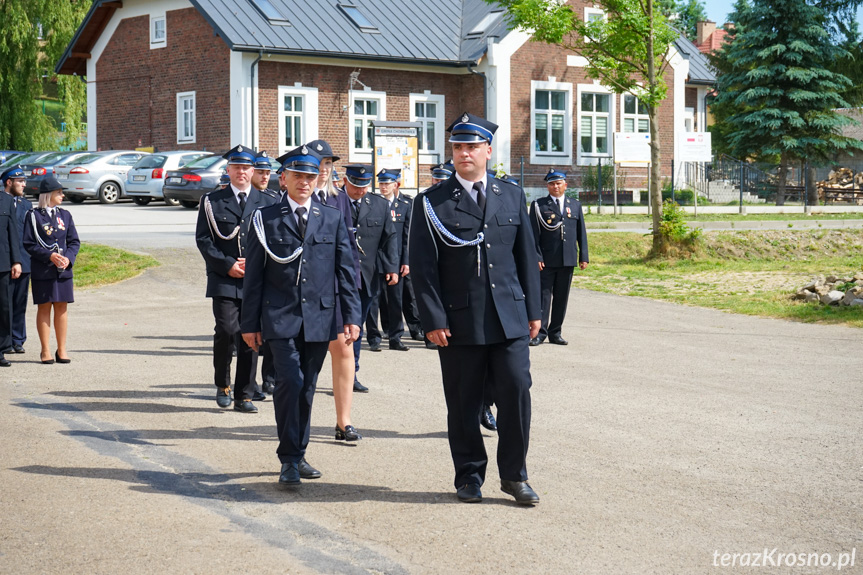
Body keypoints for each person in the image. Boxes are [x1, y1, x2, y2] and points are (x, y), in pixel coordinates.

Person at [409, 112, 542, 505]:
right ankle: (469, 476)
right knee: (464, 401)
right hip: (460, 320)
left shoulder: (511, 195)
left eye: (471, 146)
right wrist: (432, 319)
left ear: (487, 150)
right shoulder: (431, 202)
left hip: (510, 317)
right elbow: (423, 267)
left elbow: (526, 257)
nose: (464, 153)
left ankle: (515, 476)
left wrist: (535, 311)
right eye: (457, 147)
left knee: (517, 392)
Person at [240, 144, 360, 485]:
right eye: (298, 176)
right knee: (289, 381)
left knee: (306, 386)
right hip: (279, 316)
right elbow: (255, 276)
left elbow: (345, 272)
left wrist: (351, 317)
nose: (305, 182)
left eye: (310, 176)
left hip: (320, 317)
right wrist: (249, 323)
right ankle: (288, 458)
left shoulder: (331, 218)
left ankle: (299, 453)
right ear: (284, 178)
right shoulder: (265, 219)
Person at [195, 145, 278, 413]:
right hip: (224, 278)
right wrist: (228, 264)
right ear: (228, 170)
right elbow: (204, 240)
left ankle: (245, 394)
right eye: (236, 167)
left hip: (255, 280)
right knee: (227, 331)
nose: (241, 172)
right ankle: (223, 385)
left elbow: (276, 241)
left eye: (246, 168)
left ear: (253, 171)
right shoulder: (212, 201)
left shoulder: (268, 202)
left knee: (251, 335)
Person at [301, 139, 363, 440]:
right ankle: (299, 424)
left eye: (328, 165)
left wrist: (353, 285)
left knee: (343, 349)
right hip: (303, 292)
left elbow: (349, 249)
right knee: (303, 363)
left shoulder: (338, 200)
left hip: (335, 290)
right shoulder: (293, 198)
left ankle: (344, 421)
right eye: (320, 165)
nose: (324, 170)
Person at [343, 164, 398, 390]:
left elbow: (389, 238)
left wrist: (392, 267)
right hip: (337, 276)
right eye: (356, 186)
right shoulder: (332, 201)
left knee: (356, 326)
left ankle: (350, 375)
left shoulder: (379, 204)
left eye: (364, 186)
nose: (360, 191)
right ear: (346, 181)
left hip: (366, 276)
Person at [22, 177, 80, 364]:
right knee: (45, 307)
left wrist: (68, 259)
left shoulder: (65, 215)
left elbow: (74, 241)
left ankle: (61, 349)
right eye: (59, 193)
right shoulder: (34, 216)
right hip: (44, 269)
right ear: (48, 195)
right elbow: (29, 243)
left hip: (63, 270)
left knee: (62, 308)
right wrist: (49, 256)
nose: (62, 196)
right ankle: (45, 350)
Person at [529, 169, 589, 346]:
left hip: (567, 258)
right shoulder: (539, 205)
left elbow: (581, 233)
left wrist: (583, 256)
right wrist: (536, 256)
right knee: (544, 297)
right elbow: (533, 235)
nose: (555, 186)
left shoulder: (575, 205)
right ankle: (540, 333)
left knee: (562, 298)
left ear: (565, 185)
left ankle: (556, 332)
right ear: (547, 186)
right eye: (552, 184)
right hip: (546, 260)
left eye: (558, 183)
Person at [365, 168, 412, 351]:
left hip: (396, 259)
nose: (383, 187)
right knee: (373, 301)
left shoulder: (405, 205)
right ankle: (374, 338)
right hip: (375, 260)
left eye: (387, 183)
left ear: (396, 185)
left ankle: (395, 337)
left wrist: (406, 261)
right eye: (381, 183)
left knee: (395, 300)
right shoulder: (373, 203)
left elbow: (407, 237)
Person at [251, 151, 277, 396]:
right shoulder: (248, 198)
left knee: (270, 332)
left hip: (271, 272)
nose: (265, 176)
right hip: (248, 272)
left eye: (268, 172)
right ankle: (248, 383)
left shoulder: (273, 198)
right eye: (261, 171)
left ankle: (269, 378)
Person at [2, 166, 32, 355]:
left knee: (20, 303)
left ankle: (17, 339)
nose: (24, 184)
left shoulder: (26, 205)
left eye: (24, 181)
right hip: (5, 260)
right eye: (20, 181)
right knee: (5, 303)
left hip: (24, 260)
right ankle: (4, 340)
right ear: (9, 182)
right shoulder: (2, 202)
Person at [0, 169, 23, 367]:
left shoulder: (6, 201)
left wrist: (16, 261)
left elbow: (12, 234)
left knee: (4, 308)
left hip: (3, 263)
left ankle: (1, 350)